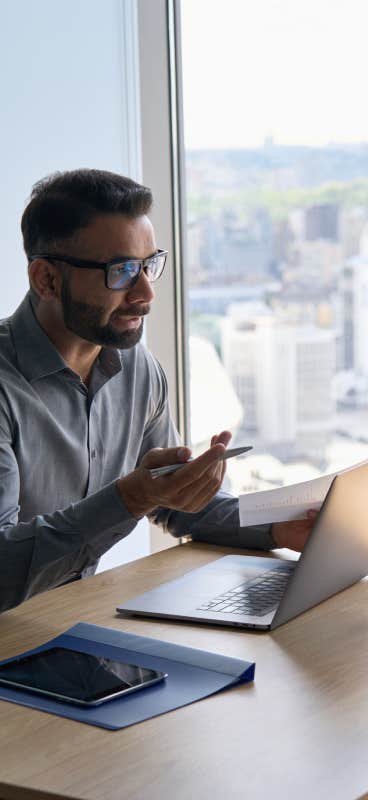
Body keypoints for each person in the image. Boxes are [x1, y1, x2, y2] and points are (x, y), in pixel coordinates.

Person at [0, 168, 314, 613]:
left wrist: (278, 529)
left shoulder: (136, 367)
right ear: (47, 279)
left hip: (69, 621)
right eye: (122, 271)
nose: (145, 292)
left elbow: (174, 502)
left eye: (148, 265)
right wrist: (132, 497)